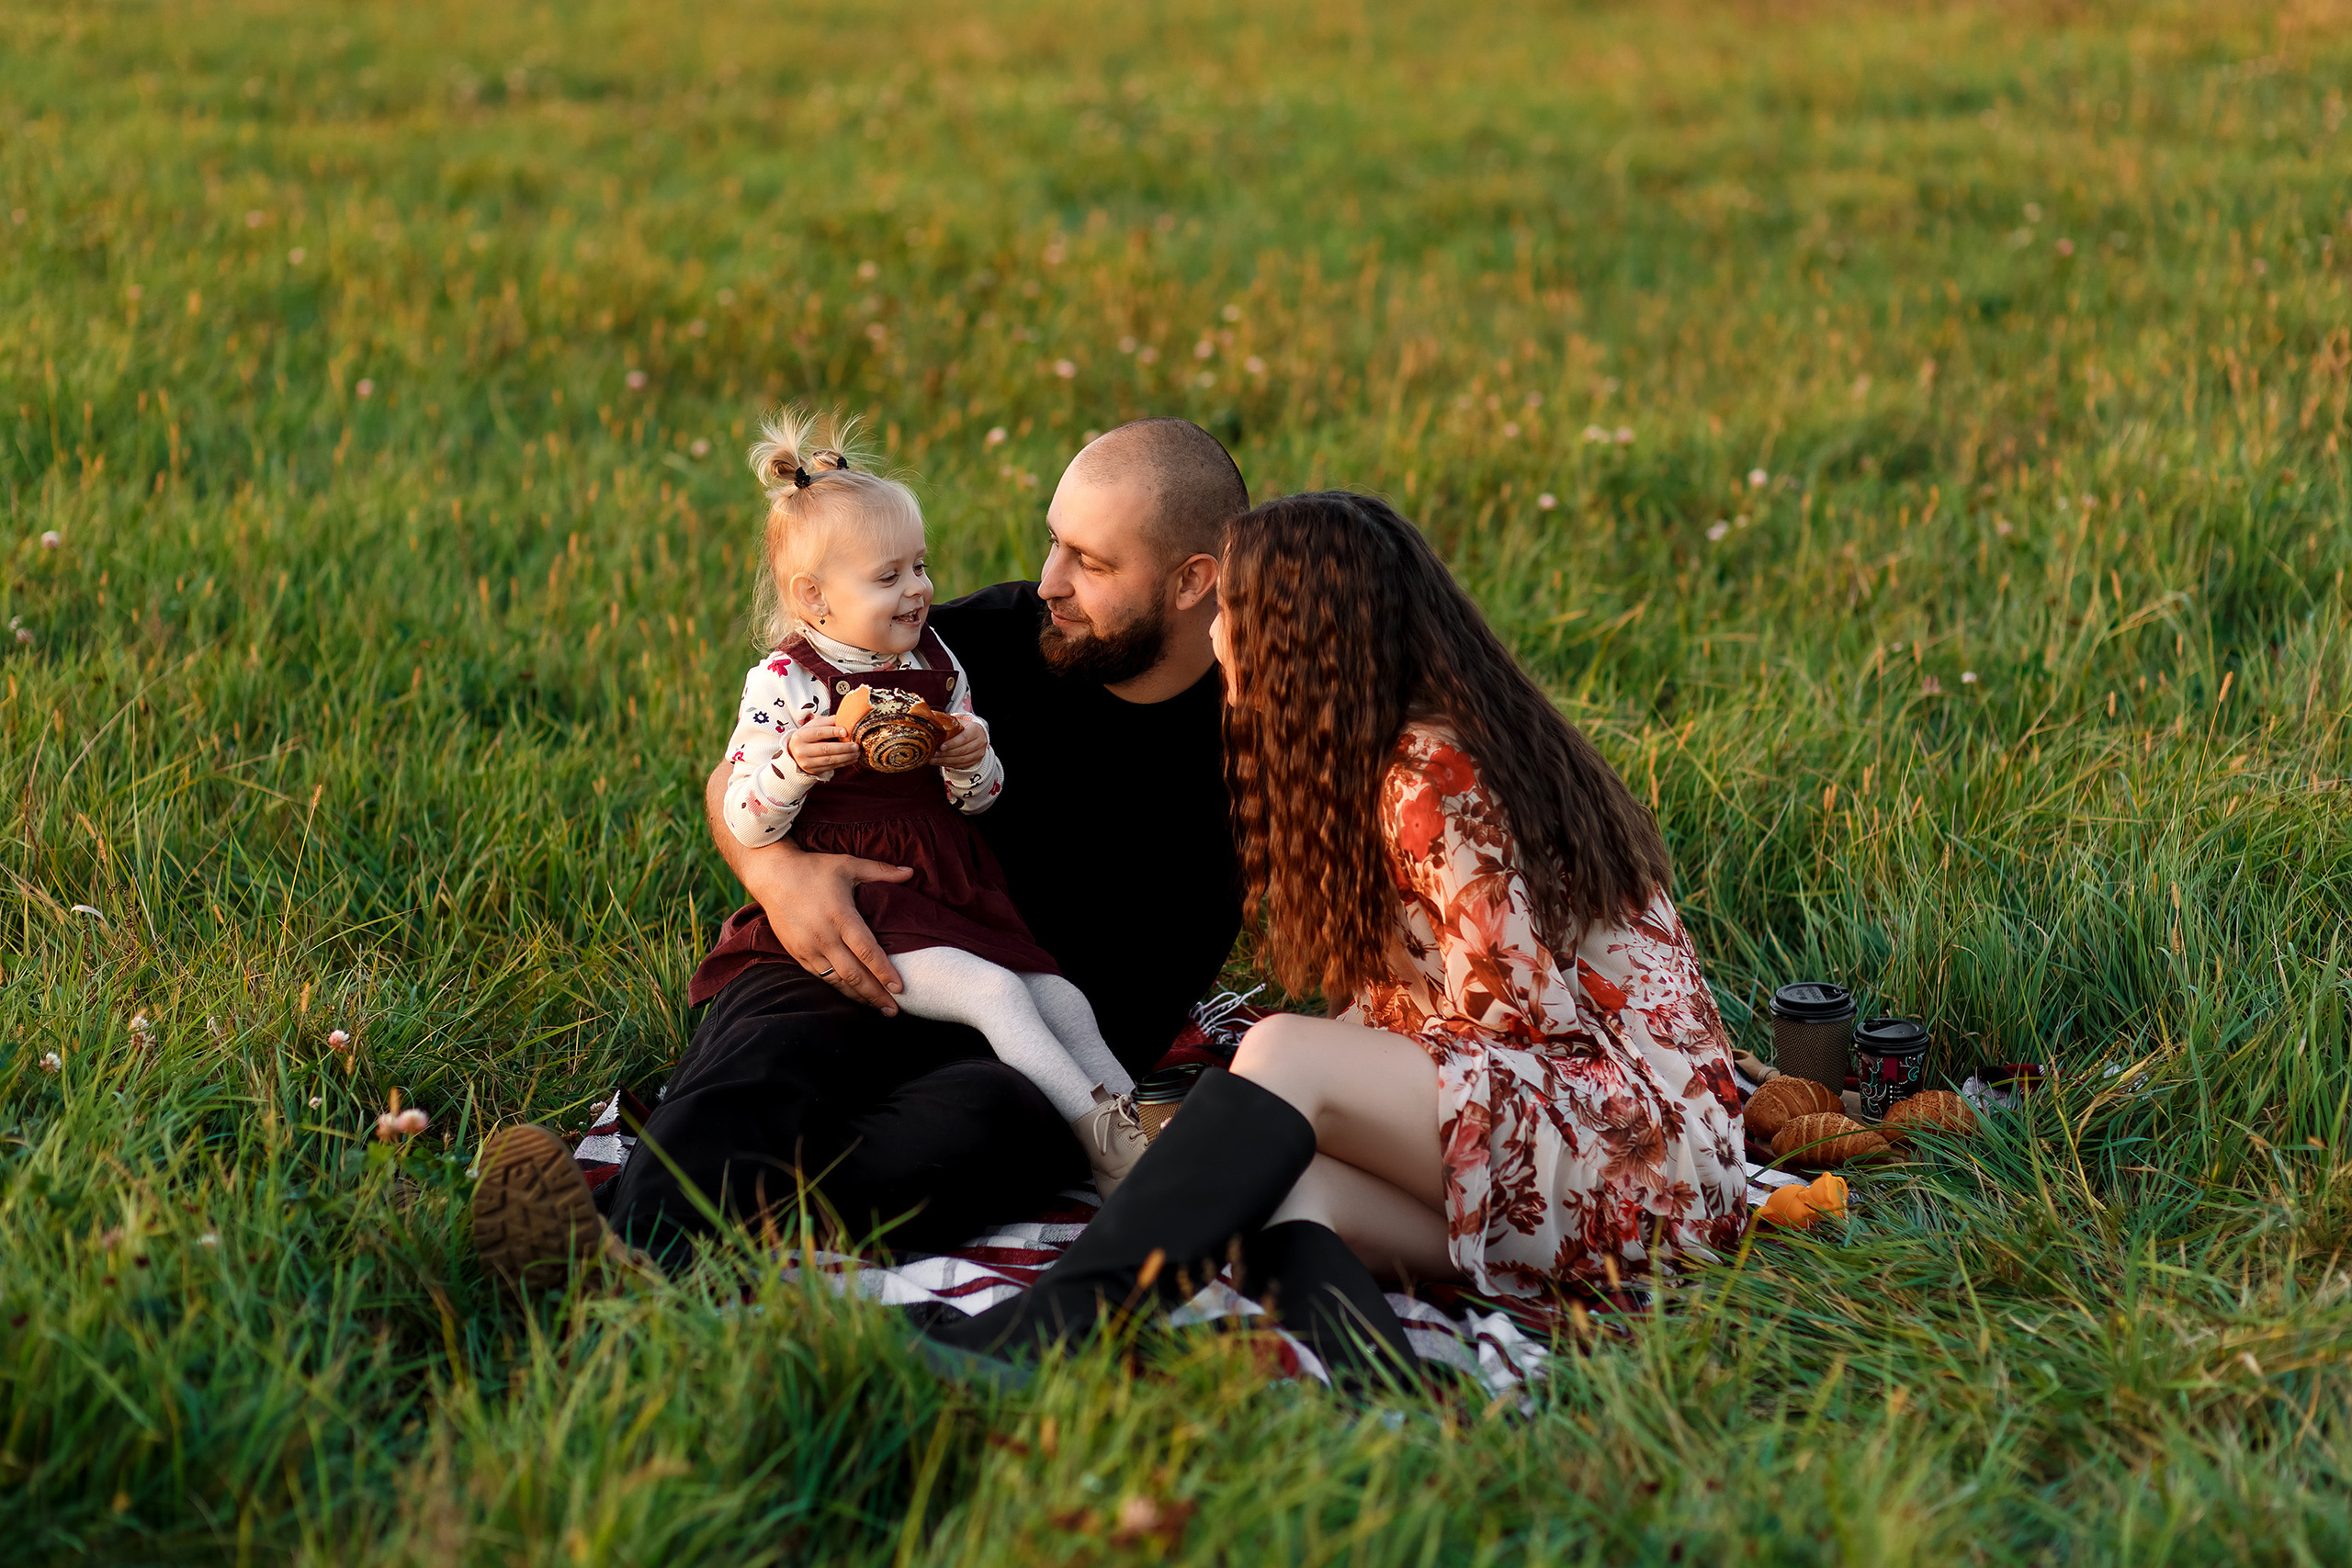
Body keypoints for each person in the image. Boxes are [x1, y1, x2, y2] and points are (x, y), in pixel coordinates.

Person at [927, 491, 1747, 1382]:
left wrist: (1292, 1085)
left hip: (1641, 1156)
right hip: (1573, 1158)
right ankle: (1393, 1400)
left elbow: (1515, 1023)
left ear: (1300, 629)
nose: (1215, 636)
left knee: (1278, 1059)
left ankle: (1050, 1330)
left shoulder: (1436, 770)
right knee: (1271, 1188)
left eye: (1232, 611)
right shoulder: (1379, 753)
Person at [469, 418, 1249, 1290]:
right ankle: (623, 1248)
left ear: (1192, 581)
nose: (1049, 582)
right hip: (862, 945)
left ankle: (683, 1235)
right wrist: (779, 877)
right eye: (1052, 543)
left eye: (1090, 563)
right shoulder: (978, 640)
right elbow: (741, 769)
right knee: (767, 1058)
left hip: (1032, 1042)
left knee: (971, 1141)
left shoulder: (1258, 742)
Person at [713, 409, 1149, 1198]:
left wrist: (971, 757)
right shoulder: (786, 683)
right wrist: (793, 767)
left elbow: (977, 803)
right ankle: (1107, 1154)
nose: (917, 589)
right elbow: (747, 815)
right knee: (998, 994)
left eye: (920, 566)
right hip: (872, 899)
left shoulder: (940, 663)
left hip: (952, 887)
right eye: (888, 577)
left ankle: (1135, 1127)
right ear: (812, 598)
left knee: (1063, 999)